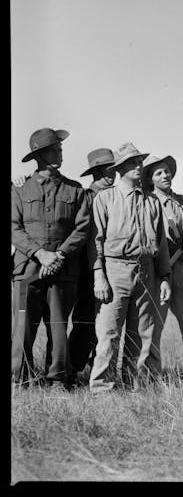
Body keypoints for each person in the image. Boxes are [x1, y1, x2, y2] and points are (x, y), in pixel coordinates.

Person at [89, 142, 172, 393]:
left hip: (146, 271)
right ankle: (102, 388)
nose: (138, 167)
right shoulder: (105, 199)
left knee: (143, 333)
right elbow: (96, 242)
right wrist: (99, 276)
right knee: (109, 332)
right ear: (119, 169)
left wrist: (165, 277)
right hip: (115, 271)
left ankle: (135, 386)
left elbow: (161, 244)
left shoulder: (152, 202)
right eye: (131, 163)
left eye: (139, 162)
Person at [11, 128, 91, 388]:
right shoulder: (19, 190)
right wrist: (39, 254)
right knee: (22, 326)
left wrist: (59, 255)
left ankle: (57, 380)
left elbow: (82, 228)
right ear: (39, 154)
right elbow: (14, 227)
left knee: (58, 327)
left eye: (60, 149)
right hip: (27, 270)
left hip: (63, 270)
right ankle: (20, 380)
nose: (60, 153)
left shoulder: (75, 190)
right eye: (54, 149)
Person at [142, 154, 183, 377]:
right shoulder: (147, 202)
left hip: (182, 269)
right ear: (150, 179)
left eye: (166, 171)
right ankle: (151, 375)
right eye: (158, 173)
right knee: (154, 325)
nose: (165, 175)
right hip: (158, 272)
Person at [68, 148, 115, 384]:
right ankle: (73, 370)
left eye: (113, 168)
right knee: (85, 321)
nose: (111, 173)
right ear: (96, 171)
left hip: (113, 267)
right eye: (106, 169)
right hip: (88, 270)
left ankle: (99, 369)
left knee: (108, 324)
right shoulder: (87, 196)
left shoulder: (118, 196)